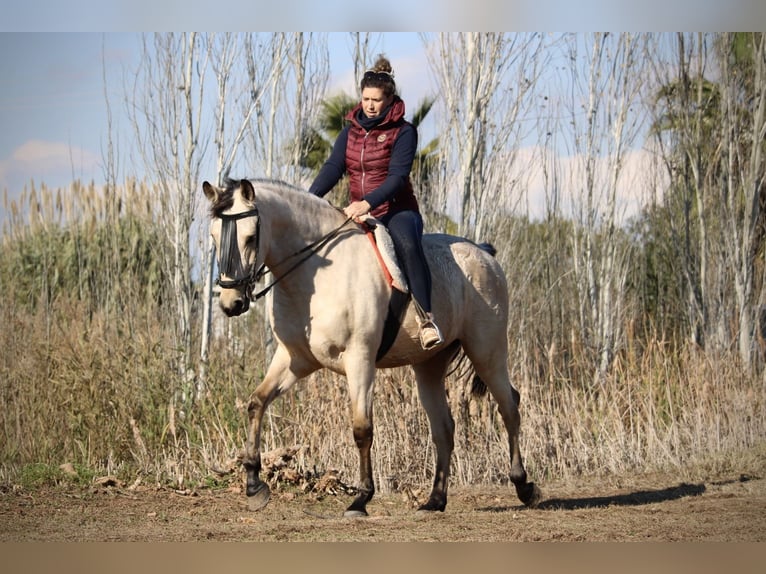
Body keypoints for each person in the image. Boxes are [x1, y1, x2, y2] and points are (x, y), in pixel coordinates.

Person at [308, 55, 443, 350]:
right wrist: (309, 197)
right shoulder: (350, 131)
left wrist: (367, 203)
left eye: (376, 100)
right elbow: (333, 167)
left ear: (390, 98)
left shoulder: (404, 132)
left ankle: (427, 319)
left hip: (396, 210)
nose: (369, 105)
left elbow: (396, 178)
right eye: (365, 98)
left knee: (407, 244)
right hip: (358, 210)